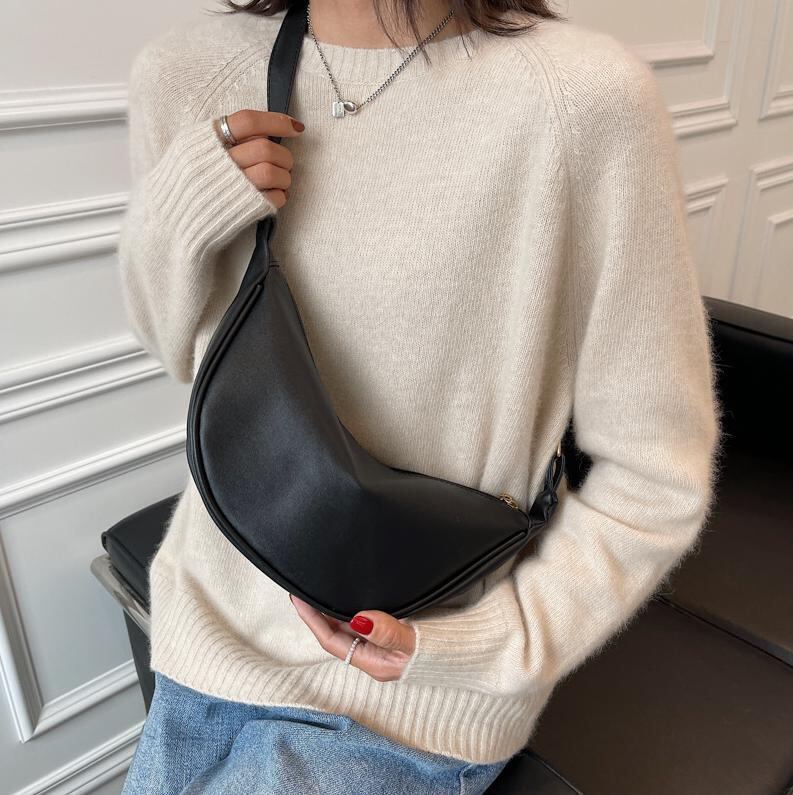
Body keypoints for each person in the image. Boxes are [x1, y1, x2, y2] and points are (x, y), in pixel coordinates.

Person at [117, 0, 724, 792]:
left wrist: (484, 645)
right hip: (207, 641)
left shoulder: (585, 100)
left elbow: (655, 472)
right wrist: (184, 209)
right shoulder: (185, 74)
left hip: (412, 705)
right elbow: (174, 348)